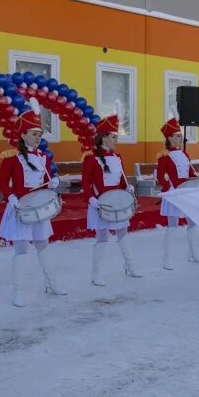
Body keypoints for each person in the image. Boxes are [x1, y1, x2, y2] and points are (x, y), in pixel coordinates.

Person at [0, 100, 65, 307]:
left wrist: (53, 183)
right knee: (21, 250)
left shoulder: (43, 157)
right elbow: (1, 180)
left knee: (43, 245)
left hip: (39, 208)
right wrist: (10, 197)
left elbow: (45, 179)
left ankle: (51, 283)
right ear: (23, 134)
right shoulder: (12, 157)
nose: (38, 138)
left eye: (40, 134)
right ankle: (18, 291)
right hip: (20, 208)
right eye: (34, 134)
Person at [82, 110, 142, 286]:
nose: (117, 140)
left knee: (123, 234)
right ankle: (96, 273)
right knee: (102, 238)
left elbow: (122, 179)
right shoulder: (91, 159)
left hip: (118, 203)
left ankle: (130, 266)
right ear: (104, 137)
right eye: (114, 137)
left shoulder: (117, 157)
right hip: (101, 204)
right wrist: (91, 199)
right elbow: (86, 182)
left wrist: (128, 187)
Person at [157, 115, 199, 269]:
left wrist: (198, 179)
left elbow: (190, 173)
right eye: (178, 136)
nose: (181, 138)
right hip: (174, 194)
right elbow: (160, 176)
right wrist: (168, 189)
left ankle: (193, 253)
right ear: (169, 138)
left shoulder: (184, 154)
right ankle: (167, 259)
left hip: (187, 193)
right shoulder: (164, 156)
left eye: (181, 136)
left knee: (193, 223)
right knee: (173, 226)